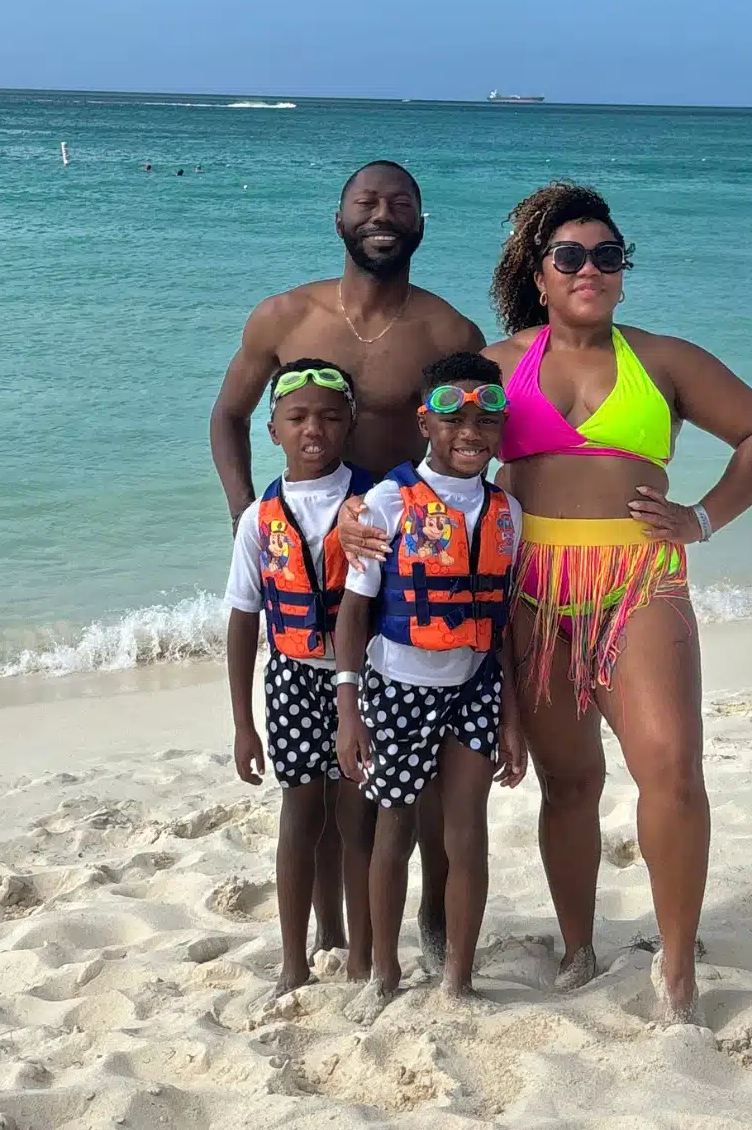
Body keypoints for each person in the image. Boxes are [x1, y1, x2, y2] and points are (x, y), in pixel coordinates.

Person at [483, 182, 752, 1022]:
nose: (591, 268)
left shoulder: (664, 360)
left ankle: (679, 970)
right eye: (570, 256)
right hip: (535, 591)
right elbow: (439, 460)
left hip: (639, 580)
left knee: (672, 768)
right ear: (540, 276)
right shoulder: (500, 365)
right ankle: (578, 947)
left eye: (608, 255)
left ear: (624, 273)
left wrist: (701, 518)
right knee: (570, 781)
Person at [210, 159, 486, 966]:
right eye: (366, 201)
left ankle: (424, 922)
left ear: (422, 225)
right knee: (324, 781)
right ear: (338, 219)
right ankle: (334, 936)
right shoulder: (284, 316)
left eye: (401, 202)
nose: (383, 213)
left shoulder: (447, 333)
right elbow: (228, 416)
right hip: (305, 561)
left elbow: (473, 442)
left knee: (412, 772)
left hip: (402, 576)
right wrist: (244, 518)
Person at [335, 353, 528, 1015]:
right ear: (425, 421)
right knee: (395, 831)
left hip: (474, 683)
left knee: (466, 829)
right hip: (398, 687)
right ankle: (384, 973)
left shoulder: (508, 512)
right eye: (454, 417)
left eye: (486, 418)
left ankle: (459, 979)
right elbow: (353, 612)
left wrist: (511, 715)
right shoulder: (386, 504)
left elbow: (500, 622)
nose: (470, 431)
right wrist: (347, 708)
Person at [224, 359, 378, 996]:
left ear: (350, 425)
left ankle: (362, 950)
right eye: (298, 417)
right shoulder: (260, 520)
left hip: (366, 679)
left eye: (329, 416)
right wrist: (242, 725)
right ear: (273, 431)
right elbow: (242, 620)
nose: (313, 427)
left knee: (356, 814)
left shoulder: (374, 503)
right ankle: (303, 953)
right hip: (289, 676)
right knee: (301, 815)